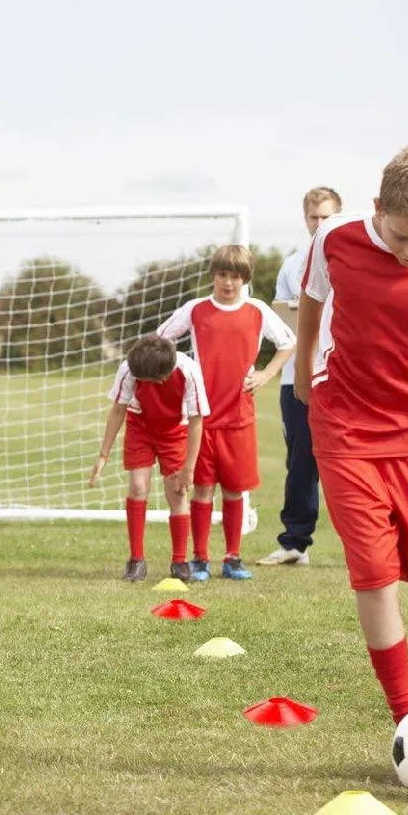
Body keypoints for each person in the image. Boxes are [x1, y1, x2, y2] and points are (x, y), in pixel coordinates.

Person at [296, 145, 408, 723]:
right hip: (344, 427)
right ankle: (406, 718)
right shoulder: (334, 238)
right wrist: (301, 376)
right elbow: (312, 301)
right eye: (401, 238)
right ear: (377, 209)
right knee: (374, 572)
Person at [158, 245, 296, 581]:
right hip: (201, 418)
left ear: (245, 279)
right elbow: (162, 340)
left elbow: (288, 342)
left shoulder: (258, 311)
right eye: (222, 275)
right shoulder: (195, 310)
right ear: (213, 275)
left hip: (239, 417)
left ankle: (233, 558)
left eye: (235, 276)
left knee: (235, 490)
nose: (228, 283)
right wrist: (181, 374)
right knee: (203, 489)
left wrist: (265, 374)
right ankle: (201, 558)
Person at [256, 187, 342, 567]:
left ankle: (372, 546)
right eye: (314, 218)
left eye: (327, 217)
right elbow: (281, 320)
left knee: (351, 460)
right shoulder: (292, 265)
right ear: (305, 219)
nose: (320, 224)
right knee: (301, 460)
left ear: (338, 216)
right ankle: (295, 543)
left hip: (345, 375)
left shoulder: (356, 262)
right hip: (298, 377)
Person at [89, 334, 209, 582]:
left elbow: (197, 421)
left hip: (175, 430)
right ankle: (136, 560)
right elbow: (118, 410)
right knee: (138, 486)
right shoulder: (130, 367)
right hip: (140, 427)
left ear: (161, 378)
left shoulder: (189, 372)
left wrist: (189, 467)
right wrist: (103, 454)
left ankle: (179, 562)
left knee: (177, 493)